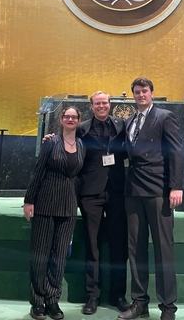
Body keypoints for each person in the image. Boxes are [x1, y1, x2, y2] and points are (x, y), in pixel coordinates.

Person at [118, 77, 184, 320]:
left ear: (152, 93)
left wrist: (175, 187)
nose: (140, 95)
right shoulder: (130, 120)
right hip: (133, 191)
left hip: (158, 191)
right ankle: (139, 302)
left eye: (144, 91)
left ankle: (168, 307)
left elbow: (176, 152)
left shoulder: (165, 117)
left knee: (163, 249)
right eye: (137, 92)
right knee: (135, 249)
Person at [24, 107, 85, 320]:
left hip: (68, 207)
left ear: (79, 120)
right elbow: (37, 171)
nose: (70, 119)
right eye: (66, 116)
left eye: (74, 117)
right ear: (61, 120)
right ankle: (38, 301)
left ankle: (52, 300)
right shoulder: (51, 143)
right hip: (45, 203)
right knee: (40, 256)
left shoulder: (81, 145)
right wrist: (29, 201)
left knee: (59, 258)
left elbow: (78, 179)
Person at [78, 91, 129, 315]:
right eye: (97, 103)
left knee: (120, 245)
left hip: (117, 191)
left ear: (110, 105)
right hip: (90, 193)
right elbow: (69, 143)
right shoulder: (82, 128)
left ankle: (118, 295)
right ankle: (92, 296)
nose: (101, 106)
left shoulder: (122, 126)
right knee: (93, 245)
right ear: (92, 106)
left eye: (105, 103)